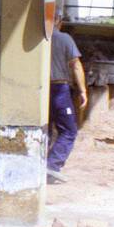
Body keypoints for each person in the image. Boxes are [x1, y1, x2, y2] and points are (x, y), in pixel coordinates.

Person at [47, 10, 88, 182]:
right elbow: (76, 65)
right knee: (69, 130)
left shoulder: (39, 39)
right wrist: (83, 90)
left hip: (39, 89)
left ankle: (37, 163)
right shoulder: (65, 39)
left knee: (44, 128)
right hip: (59, 88)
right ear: (58, 21)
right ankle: (52, 164)